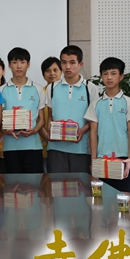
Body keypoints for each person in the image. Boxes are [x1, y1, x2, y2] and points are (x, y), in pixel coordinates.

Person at [84, 57, 130, 192]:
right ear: (101, 76)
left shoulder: (128, 102)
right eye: (105, 73)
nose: (109, 77)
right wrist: (93, 160)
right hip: (101, 159)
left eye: (113, 73)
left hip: (123, 159)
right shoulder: (96, 104)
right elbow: (93, 133)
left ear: (121, 76)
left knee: (124, 198)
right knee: (100, 199)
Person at [46, 45, 99, 173]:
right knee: (56, 183)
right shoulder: (51, 88)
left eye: (72, 62)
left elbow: (94, 119)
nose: (68, 67)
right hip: (56, 148)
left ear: (80, 64)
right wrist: (50, 130)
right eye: (64, 62)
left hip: (81, 148)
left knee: (80, 184)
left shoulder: (90, 88)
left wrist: (82, 130)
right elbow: (50, 115)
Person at [0, 48, 46, 173]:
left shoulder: (38, 89)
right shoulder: (1, 90)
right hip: (10, 148)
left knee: (34, 182)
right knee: (12, 183)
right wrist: (5, 130)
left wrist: (34, 130)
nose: (19, 66)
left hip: (33, 146)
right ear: (9, 65)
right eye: (15, 62)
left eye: (22, 62)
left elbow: (41, 119)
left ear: (28, 64)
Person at [40, 57, 62, 169]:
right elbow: (37, 119)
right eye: (48, 70)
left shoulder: (66, 93)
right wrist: (48, 139)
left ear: (61, 71)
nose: (52, 73)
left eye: (55, 70)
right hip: (43, 147)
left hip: (62, 145)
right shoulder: (40, 93)